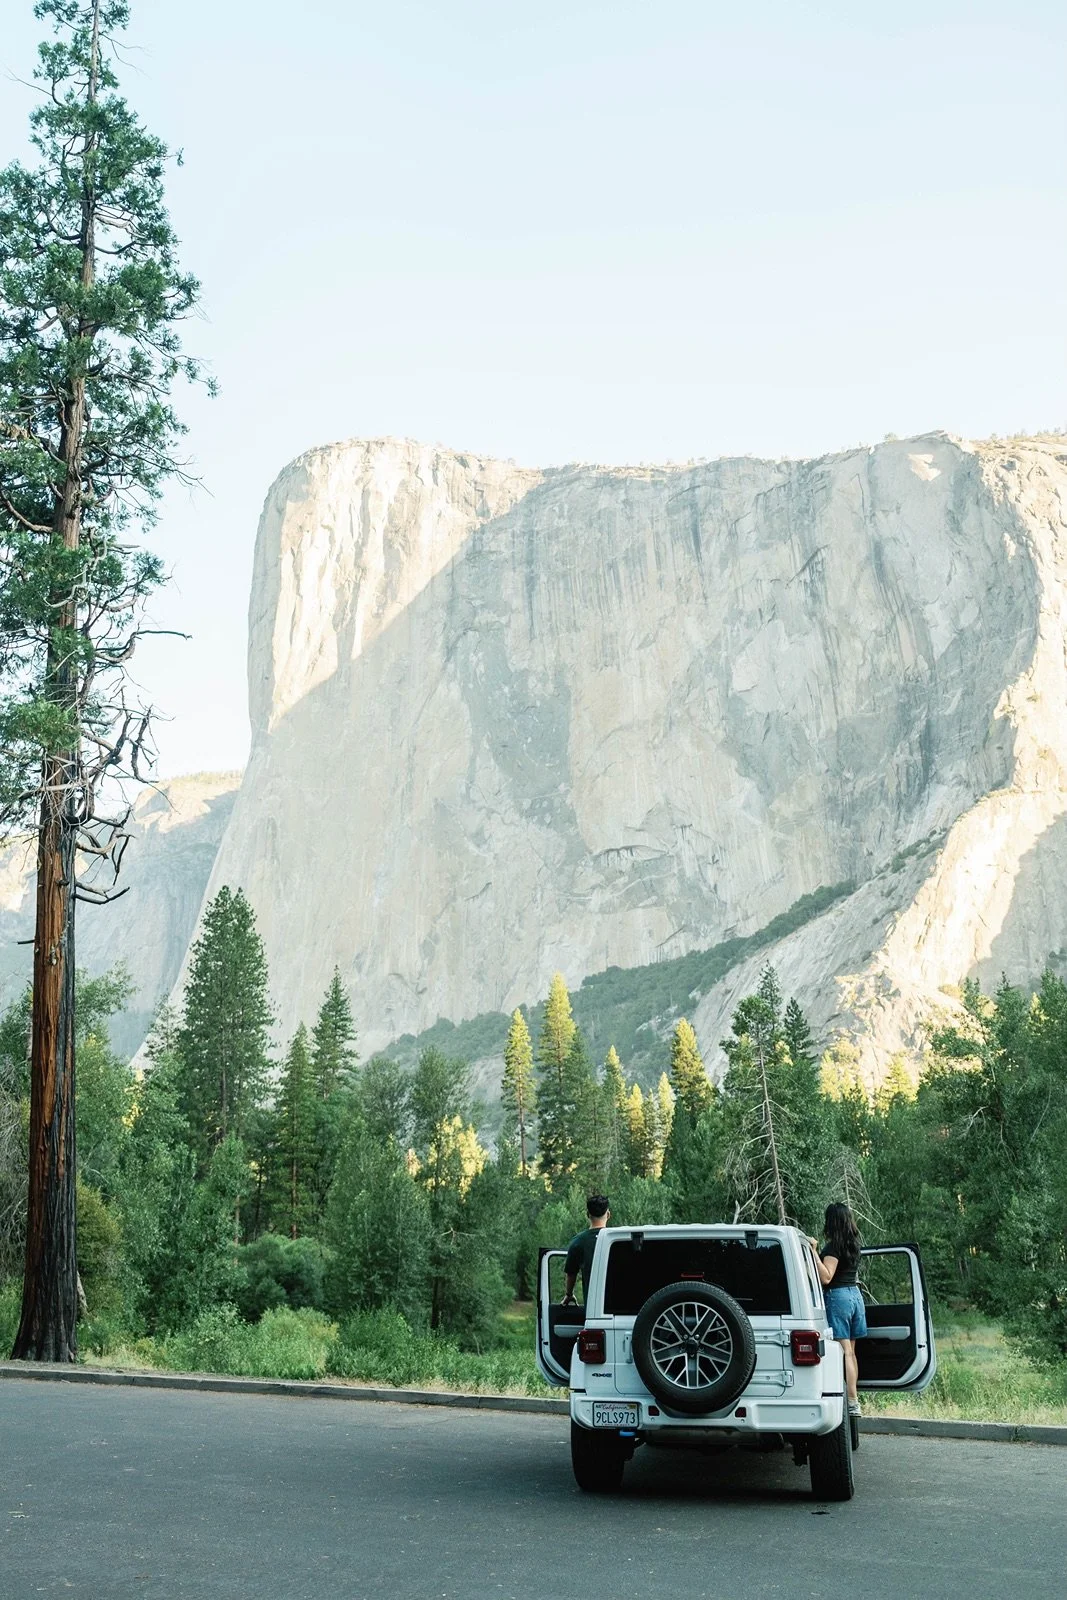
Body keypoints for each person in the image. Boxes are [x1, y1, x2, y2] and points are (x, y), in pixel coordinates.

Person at [809, 1201, 867, 1418]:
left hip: (839, 1297)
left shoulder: (834, 1247)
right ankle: (854, 1400)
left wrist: (814, 1252)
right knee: (851, 1353)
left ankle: (851, 1402)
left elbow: (826, 1277)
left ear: (831, 1221)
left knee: (844, 1354)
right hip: (855, 1296)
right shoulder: (854, 1244)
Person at [562, 1194, 611, 1305]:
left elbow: (571, 1274)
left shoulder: (578, 1242)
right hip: (620, 1308)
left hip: (593, 1309)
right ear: (608, 1215)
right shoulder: (619, 1240)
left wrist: (569, 1294)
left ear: (588, 1215)